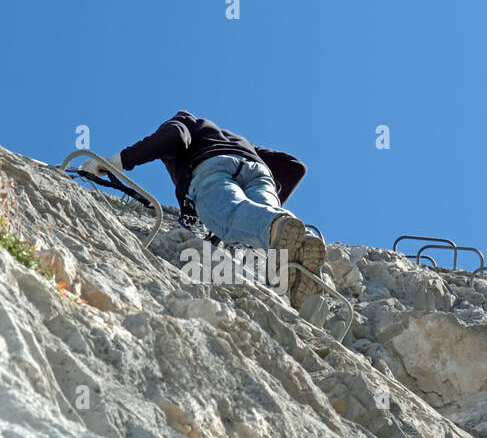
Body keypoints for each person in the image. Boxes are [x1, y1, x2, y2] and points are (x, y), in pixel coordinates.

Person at [96, 111, 324, 307]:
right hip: (259, 172)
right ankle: (299, 245)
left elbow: (174, 135)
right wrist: (260, 213)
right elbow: (294, 167)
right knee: (270, 214)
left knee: (230, 213)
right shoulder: (237, 140)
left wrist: (118, 161)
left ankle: (274, 227)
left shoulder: (188, 122)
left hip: (212, 168)